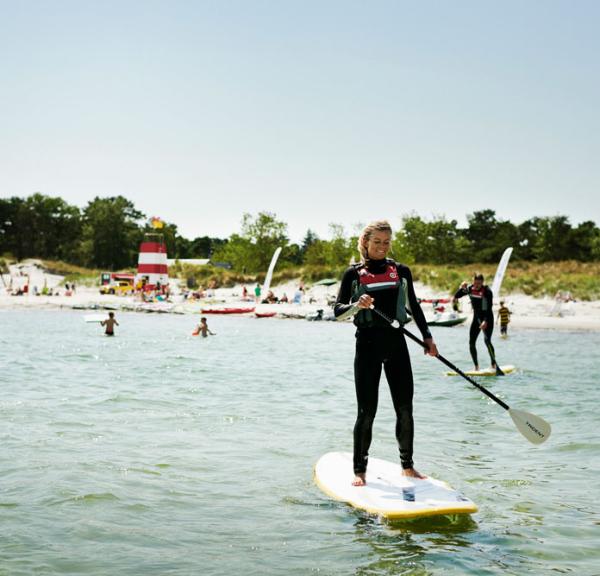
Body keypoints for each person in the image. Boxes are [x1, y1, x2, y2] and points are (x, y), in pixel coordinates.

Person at [334, 220, 438, 486]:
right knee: (367, 411)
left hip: (397, 343)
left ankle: (408, 466)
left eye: (386, 242)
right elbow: (337, 312)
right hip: (367, 346)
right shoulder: (353, 274)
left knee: (405, 409)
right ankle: (359, 471)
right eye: (377, 242)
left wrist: (427, 337)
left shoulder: (400, 271)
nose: (381, 247)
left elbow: (414, 305)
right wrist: (357, 305)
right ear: (365, 243)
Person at [453, 273, 502, 374]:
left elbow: (488, 308)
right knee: (471, 342)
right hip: (476, 319)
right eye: (475, 283)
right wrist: (461, 288)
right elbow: (457, 296)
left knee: (487, 341)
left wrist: (485, 321)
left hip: (487, 318)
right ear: (473, 281)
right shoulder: (470, 289)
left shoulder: (487, 291)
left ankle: (493, 364)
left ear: (482, 282)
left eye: (479, 283)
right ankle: (476, 367)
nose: (476, 285)